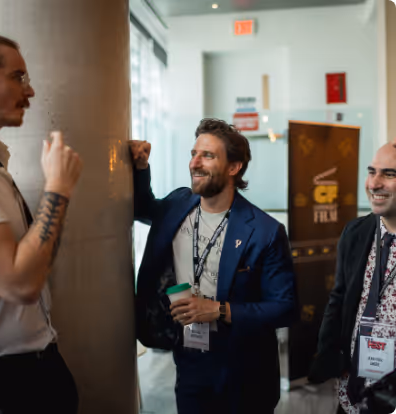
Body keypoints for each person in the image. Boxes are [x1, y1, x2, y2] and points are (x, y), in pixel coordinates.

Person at [131, 118, 297, 414]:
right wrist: (142, 167)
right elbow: (143, 207)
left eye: (207, 155)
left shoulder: (264, 231)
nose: (195, 163)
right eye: (193, 154)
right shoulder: (177, 204)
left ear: (234, 167)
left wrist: (219, 310)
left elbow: (285, 307)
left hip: (245, 371)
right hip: (190, 359)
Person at [0, 31, 82, 414]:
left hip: (34, 367)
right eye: (17, 77)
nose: (30, 91)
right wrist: (58, 188)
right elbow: (20, 282)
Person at [309, 142, 396, 414]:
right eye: (372, 172)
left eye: (389, 174)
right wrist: (328, 356)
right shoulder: (356, 233)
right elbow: (339, 297)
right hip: (353, 389)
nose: (375, 183)